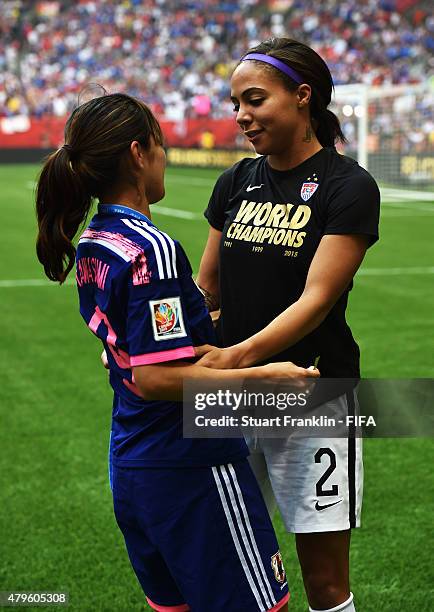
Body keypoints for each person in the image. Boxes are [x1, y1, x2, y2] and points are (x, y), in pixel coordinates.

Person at [35, 92, 320, 612]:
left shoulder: (96, 242)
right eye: (162, 147)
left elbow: (132, 353)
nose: (164, 159)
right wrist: (266, 376)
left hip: (133, 463)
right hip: (192, 467)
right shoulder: (152, 247)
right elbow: (160, 379)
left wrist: (197, 351)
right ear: (139, 153)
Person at [196, 38, 380, 612]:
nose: (241, 116)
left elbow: (316, 299)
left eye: (254, 100)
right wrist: (156, 347)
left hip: (313, 396)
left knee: (325, 585)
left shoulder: (348, 186)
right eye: (234, 104)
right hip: (230, 399)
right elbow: (207, 287)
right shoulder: (235, 182)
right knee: (220, 565)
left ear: (303, 97)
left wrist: (233, 356)